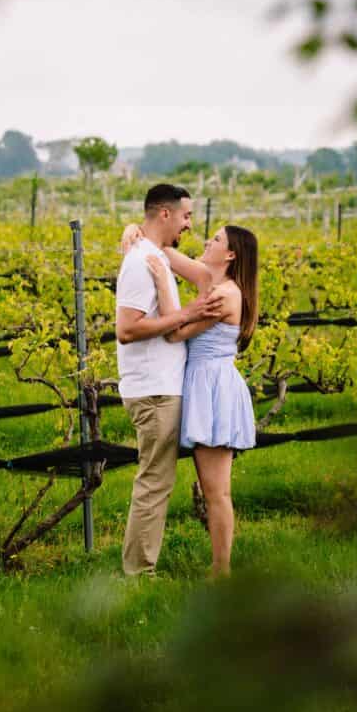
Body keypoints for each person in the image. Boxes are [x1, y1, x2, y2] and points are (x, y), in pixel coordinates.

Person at [121, 221, 259, 578]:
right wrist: (134, 228)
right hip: (201, 384)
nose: (206, 240)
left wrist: (165, 283)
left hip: (213, 388)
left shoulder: (225, 294)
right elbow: (164, 249)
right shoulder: (206, 278)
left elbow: (175, 332)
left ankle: (221, 571)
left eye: (215, 239)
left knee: (216, 491)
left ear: (229, 254)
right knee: (211, 487)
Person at [113, 184, 226, 576]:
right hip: (154, 390)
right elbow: (127, 329)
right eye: (185, 216)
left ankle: (141, 569)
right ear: (165, 214)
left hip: (165, 386)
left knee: (159, 482)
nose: (190, 225)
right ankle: (139, 574)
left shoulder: (155, 254)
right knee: (154, 483)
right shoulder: (141, 261)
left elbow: (198, 278)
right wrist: (186, 313)